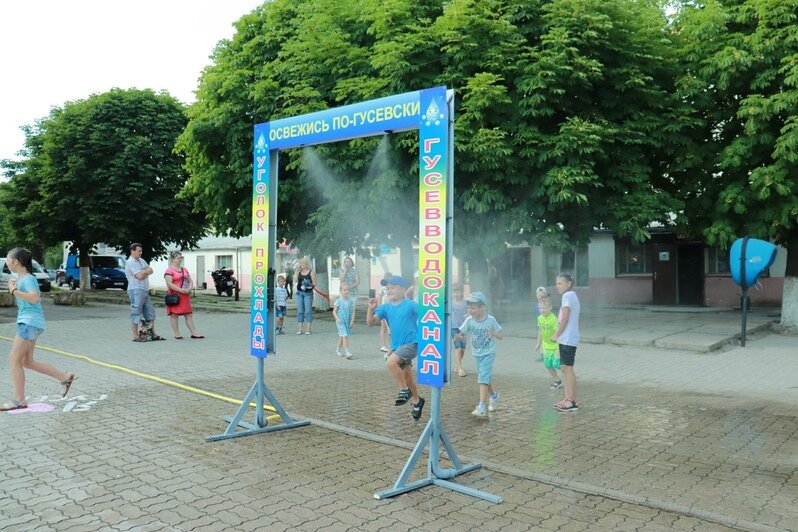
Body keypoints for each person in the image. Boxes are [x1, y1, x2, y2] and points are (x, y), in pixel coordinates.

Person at [1, 248, 76, 411]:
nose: (6, 262)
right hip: (32, 323)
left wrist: (14, 291)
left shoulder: (27, 279)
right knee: (26, 362)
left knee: (13, 359)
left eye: (8, 259)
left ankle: (19, 400)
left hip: (29, 323)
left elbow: (34, 298)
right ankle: (64, 377)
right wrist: (14, 288)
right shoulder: (21, 278)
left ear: (16, 262)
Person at [366, 275, 425, 421]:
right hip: (397, 347)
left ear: (403, 289)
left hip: (412, 344)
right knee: (407, 377)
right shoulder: (385, 307)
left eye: (392, 287)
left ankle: (404, 391)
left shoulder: (410, 305)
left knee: (391, 362)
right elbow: (370, 323)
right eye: (387, 288)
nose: (388, 290)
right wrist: (370, 309)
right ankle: (417, 401)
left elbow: (427, 315)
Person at [456, 291, 504, 417]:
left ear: (483, 307)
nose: (470, 310)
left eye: (473, 307)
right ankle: (494, 396)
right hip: (476, 354)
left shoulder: (491, 320)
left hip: (489, 353)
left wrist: (493, 334)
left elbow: (501, 336)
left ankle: (482, 406)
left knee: (482, 378)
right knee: (485, 377)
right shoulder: (469, 320)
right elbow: (462, 333)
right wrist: (459, 337)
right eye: (469, 307)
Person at [552, 273, 580, 412]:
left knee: (567, 369)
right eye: (556, 283)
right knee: (564, 368)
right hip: (567, 338)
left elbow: (565, 319)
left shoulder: (567, 296)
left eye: (560, 283)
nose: (557, 286)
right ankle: (567, 398)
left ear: (569, 283)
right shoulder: (571, 296)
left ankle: (571, 401)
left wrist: (556, 335)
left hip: (567, 338)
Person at [125, 243, 165, 342]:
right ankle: (135, 336)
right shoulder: (130, 262)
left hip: (144, 289)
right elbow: (139, 276)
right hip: (135, 289)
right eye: (139, 251)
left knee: (150, 312)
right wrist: (145, 272)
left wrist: (144, 272)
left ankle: (152, 334)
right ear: (132, 251)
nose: (141, 253)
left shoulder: (141, 261)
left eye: (141, 251)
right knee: (136, 312)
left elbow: (151, 270)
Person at [164, 251, 203, 340]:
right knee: (174, 315)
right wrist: (181, 290)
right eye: (178, 258)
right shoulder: (169, 270)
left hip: (185, 295)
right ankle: (177, 334)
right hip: (175, 296)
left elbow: (190, 280)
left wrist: (190, 288)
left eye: (181, 258)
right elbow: (169, 284)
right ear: (172, 259)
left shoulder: (184, 269)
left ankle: (194, 333)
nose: (180, 260)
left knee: (188, 314)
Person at [535, 296, 562, 389]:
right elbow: (540, 331)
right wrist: (538, 344)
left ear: (550, 307)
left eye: (544, 308)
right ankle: (557, 380)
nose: (542, 310)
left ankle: (569, 376)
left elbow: (558, 333)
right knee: (548, 364)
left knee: (556, 363)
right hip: (546, 345)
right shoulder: (539, 318)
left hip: (554, 345)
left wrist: (558, 348)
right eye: (540, 308)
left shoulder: (553, 319)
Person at [293, 256, 317, 335]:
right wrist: (296, 272)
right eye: (300, 263)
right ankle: (300, 329)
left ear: (306, 264)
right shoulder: (298, 272)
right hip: (299, 293)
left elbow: (314, 284)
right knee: (300, 311)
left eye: (302, 263)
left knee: (308, 311)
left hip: (308, 294)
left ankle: (308, 329)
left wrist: (309, 285)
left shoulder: (311, 272)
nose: (300, 265)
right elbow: (295, 281)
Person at [333, 285, 355, 359]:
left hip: (347, 321)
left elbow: (352, 312)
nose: (346, 291)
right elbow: (334, 311)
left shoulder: (350, 301)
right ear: (341, 291)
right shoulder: (338, 301)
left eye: (347, 290)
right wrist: (337, 318)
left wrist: (352, 321)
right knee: (345, 335)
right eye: (344, 290)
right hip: (340, 322)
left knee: (342, 337)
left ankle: (337, 350)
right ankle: (347, 352)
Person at [451, 283, 468, 377]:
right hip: (453, 328)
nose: (456, 294)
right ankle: (460, 369)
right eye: (454, 292)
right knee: (458, 347)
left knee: (463, 349)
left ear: (462, 292)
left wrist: (468, 315)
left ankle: (457, 364)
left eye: (458, 292)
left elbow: (469, 313)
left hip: (464, 328)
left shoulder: (465, 303)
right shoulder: (450, 303)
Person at [339, 256, 360, 321]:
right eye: (345, 262)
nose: (347, 263)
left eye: (348, 262)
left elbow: (357, 282)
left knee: (351, 309)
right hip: (343, 292)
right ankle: (344, 322)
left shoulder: (355, 270)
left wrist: (350, 287)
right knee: (343, 308)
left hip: (353, 292)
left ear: (351, 263)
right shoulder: (342, 270)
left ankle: (350, 322)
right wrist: (345, 271)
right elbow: (341, 279)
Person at [378, 272, 392, 353]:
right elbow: (379, 299)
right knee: (383, 327)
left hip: (390, 310)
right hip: (384, 310)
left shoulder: (391, 289)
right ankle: (383, 345)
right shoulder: (383, 289)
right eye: (387, 278)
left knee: (389, 328)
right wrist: (380, 309)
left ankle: (389, 344)